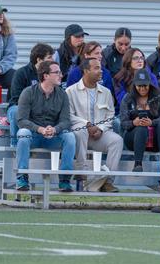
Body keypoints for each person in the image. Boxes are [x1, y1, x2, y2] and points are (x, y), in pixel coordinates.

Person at [16, 61, 76, 192]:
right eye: (57, 73)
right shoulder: (28, 93)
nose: (61, 75)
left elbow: (66, 121)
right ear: (45, 76)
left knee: (70, 136)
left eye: (60, 72)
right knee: (23, 133)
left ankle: (64, 179)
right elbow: (21, 120)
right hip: (34, 136)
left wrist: (55, 129)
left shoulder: (62, 94)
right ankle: (22, 176)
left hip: (53, 136)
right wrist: (40, 129)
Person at [66, 58, 123, 192]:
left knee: (117, 141)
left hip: (99, 135)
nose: (101, 71)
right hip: (79, 135)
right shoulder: (70, 91)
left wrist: (101, 129)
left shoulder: (106, 92)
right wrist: (87, 124)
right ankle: (82, 172)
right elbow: (68, 116)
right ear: (86, 71)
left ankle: (108, 181)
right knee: (80, 131)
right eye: (96, 68)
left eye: (100, 68)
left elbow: (110, 115)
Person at [120, 69, 160, 173]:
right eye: (139, 86)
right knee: (141, 128)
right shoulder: (128, 98)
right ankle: (137, 164)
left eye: (145, 85)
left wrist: (152, 122)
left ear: (150, 84)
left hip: (156, 137)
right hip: (134, 137)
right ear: (135, 85)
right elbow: (123, 123)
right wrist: (134, 122)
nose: (142, 88)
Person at [7, 43, 54, 146]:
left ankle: (50, 144)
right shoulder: (21, 73)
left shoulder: (50, 75)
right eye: (49, 57)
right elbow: (16, 98)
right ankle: (15, 145)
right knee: (16, 111)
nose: (52, 60)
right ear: (39, 60)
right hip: (20, 107)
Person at [114, 48, 158, 112]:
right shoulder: (119, 78)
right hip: (126, 112)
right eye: (135, 58)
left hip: (148, 111)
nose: (140, 60)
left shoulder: (151, 77)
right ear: (128, 61)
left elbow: (155, 97)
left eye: (141, 58)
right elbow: (122, 100)